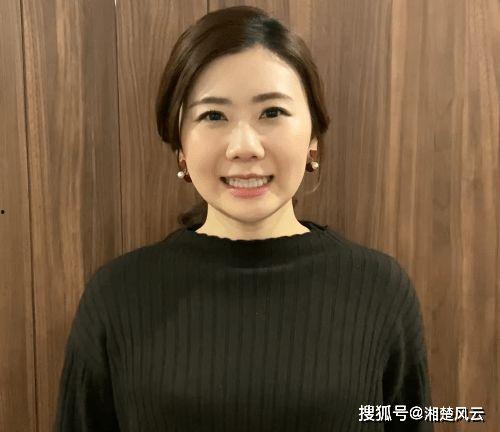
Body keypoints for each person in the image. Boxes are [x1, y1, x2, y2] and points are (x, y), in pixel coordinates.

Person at [53, 5, 433, 432]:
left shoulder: (380, 290)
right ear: (180, 146)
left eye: (271, 112)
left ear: (313, 135)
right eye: (213, 116)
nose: (244, 147)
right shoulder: (117, 296)